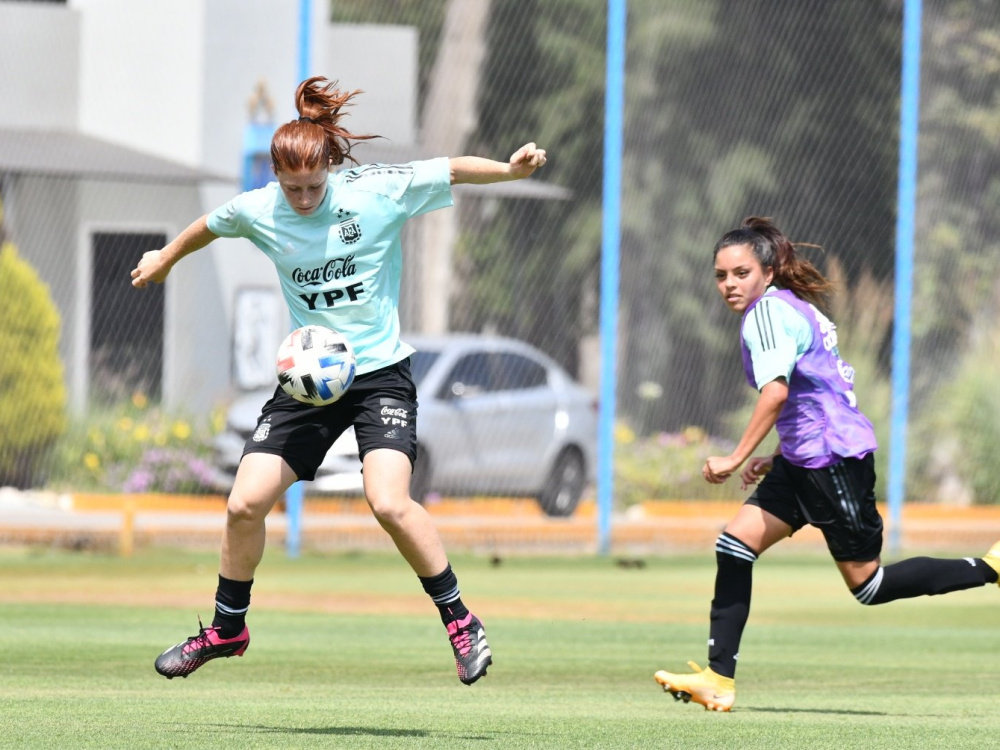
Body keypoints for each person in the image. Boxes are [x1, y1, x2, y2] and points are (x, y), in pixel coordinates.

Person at [132, 76, 547, 686]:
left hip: (380, 376)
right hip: (310, 383)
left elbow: (450, 170)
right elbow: (210, 224)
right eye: (290, 187)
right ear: (275, 176)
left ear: (329, 165)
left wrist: (510, 173)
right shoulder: (261, 209)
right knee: (244, 502)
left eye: (312, 186)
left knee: (388, 502)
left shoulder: (376, 191)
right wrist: (166, 257)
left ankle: (461, 622)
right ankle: (227, 628)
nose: (302, 198)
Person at [653, 216, 1000, 712]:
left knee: (870, 585)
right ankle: (718, 678)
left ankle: (991, 567)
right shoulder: (787, 307)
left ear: (767, 272)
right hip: (805, 458)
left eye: (741, 273)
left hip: (832, 459)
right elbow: (815, 392)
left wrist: (735, 457)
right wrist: (777, 456)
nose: (729, 284)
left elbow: (776, 393)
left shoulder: (767, 315)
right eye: (721, 275)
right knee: (734, 545)